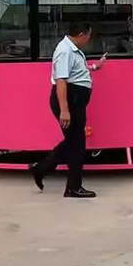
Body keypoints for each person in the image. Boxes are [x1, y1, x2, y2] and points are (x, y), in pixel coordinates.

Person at [29, 21, 106, 198]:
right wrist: (64, 110)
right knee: (77, 145)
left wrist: (95, 66)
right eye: (88, 36)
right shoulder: (64, 51)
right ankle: (73, 187)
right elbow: (61, 81)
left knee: (74, 142)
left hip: (75, 101)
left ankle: (41, 169)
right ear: (81, 34)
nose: (89, 39)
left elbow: (77, 71)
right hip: (69, 101)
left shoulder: (73, 50)